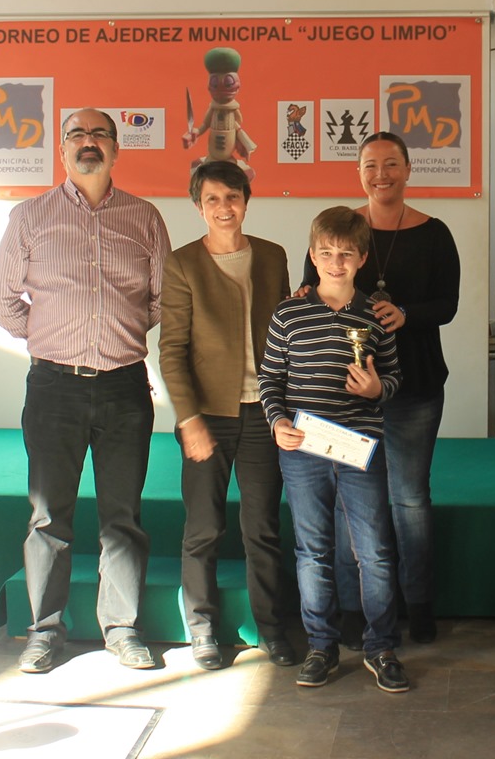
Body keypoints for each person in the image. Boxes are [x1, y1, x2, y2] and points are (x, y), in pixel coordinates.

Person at [0, 107, 172, 672]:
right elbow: (2, 300)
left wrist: (116, 335)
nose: (88, 142)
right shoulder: (30, 216)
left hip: (124, 388)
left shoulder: (144, 218)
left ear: (116, 148)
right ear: (62, 148)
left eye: (99, 134)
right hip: (54, 388)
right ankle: (44, 631)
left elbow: (163, 299)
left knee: (123, 516)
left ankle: (122, 629)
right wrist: (49, 338)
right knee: (50, 518)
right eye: (77, 134)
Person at [299, 132, 460, 645]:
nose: (381, 174)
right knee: (349, 501)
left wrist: (406, 314)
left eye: (391, 164)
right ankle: (353, 608)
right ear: (359, 172)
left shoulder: (435, 233)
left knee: (409, 499)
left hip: (414, 385)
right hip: (344, 394)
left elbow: (449, 305)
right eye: (370, 165)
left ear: (408, 169)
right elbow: (312, 293)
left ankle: (419, 604)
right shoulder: (337, 228)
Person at [260, 206, 409, 693]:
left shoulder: (376, 316)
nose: (336, 262)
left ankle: (381, 646)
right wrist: (277, 421)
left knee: (375, 552)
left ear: (362, 258)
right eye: (326, 253)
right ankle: (321, 646)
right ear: (312, 255)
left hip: (360, 447)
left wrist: (376, 390)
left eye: (346, 254)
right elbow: (270, 379)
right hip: (302, 449)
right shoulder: (288, 313)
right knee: (312, 551)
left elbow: (394, 376)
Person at [158, 161, 295, 670]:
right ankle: (202, 630)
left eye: (232, 197)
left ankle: (272, 630)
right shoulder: (181, 264)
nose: (223, 208)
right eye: (212, 199)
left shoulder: (273, 256)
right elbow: (171, 351)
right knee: (203, 528)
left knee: (263, 528)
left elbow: (286, 336)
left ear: (246, 201)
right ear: (199, 206)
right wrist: (188, 418)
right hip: (207, 418)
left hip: (263, 413)